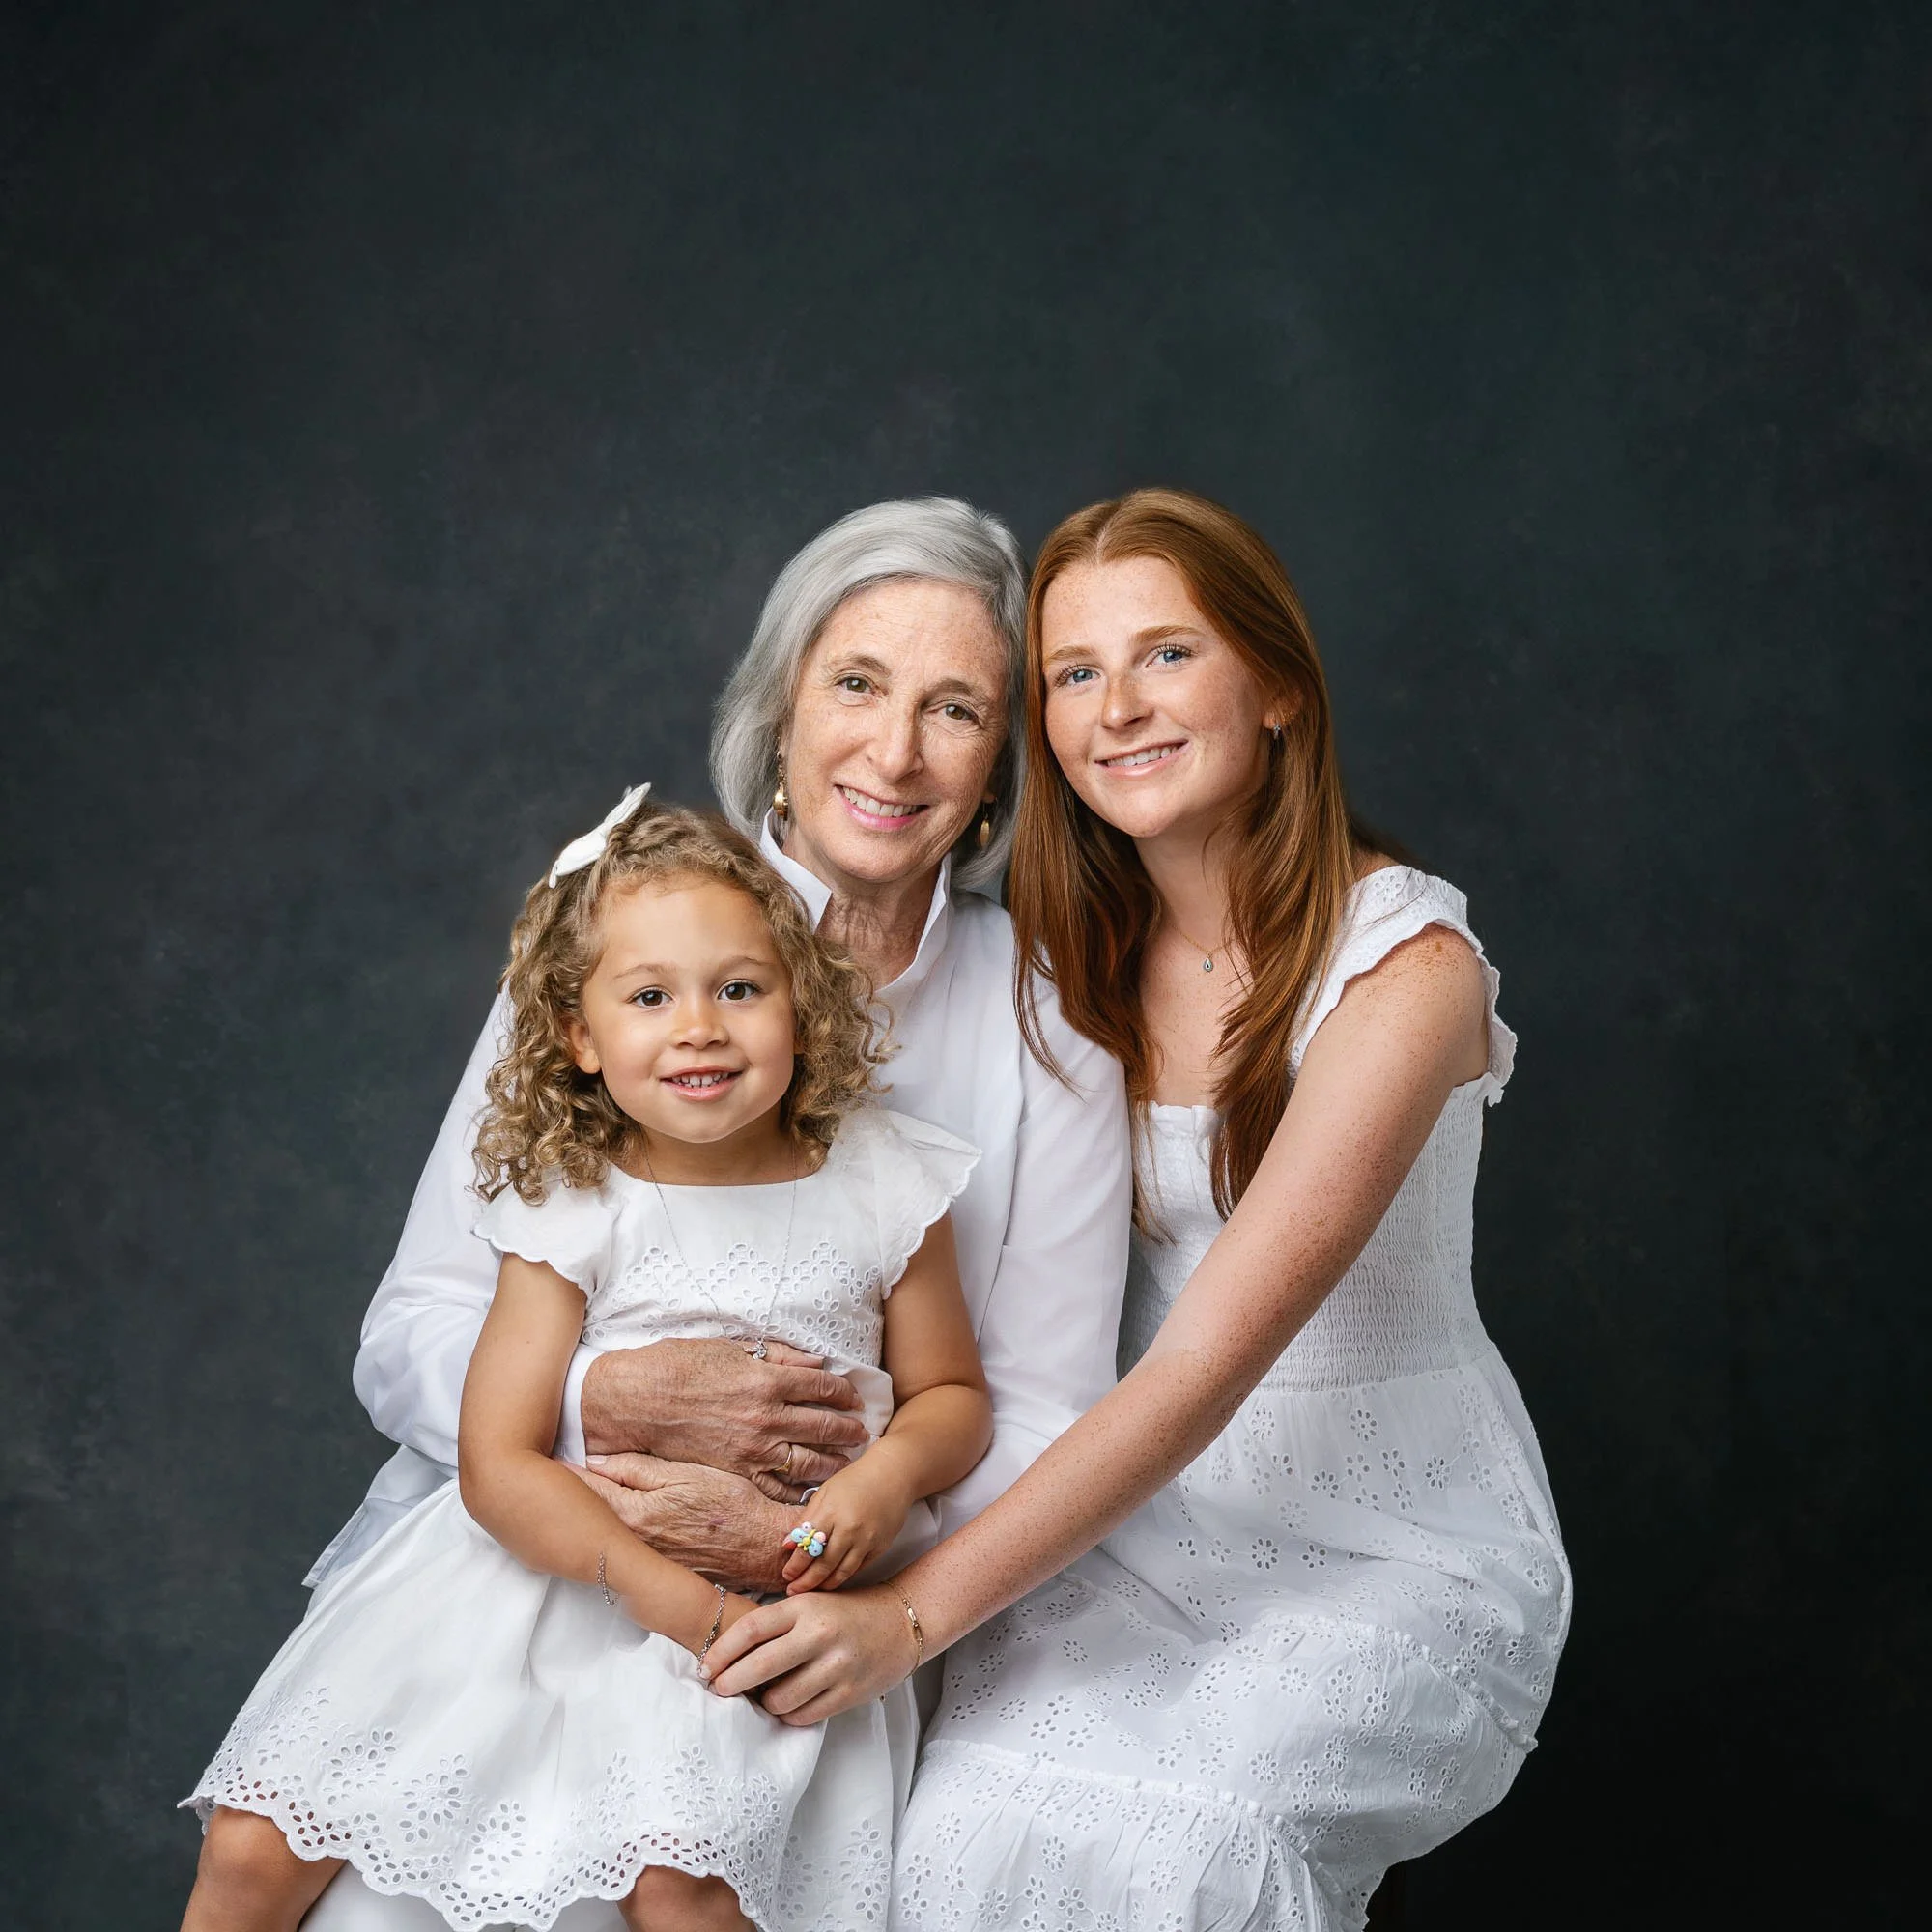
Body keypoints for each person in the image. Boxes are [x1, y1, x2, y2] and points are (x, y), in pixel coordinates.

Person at [705, 489, 1574, 1930]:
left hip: (1383, 1538)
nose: (1119, 708)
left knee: (1183, 1846)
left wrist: (910, 1615)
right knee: (948, 1831)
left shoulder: (1408, 969)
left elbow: (1202, 1363)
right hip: (1126, 1521)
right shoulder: (1058, 960)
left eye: (1167, 655)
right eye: (1074, 674)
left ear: (1278, 684)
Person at [301, 497, 1131, 1927]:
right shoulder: (614, 947)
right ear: (781, 705)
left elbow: (1050, 1418)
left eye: (956, 709)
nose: (894, 750)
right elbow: (412, 1328)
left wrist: (833, 1554)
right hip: (533, 1580)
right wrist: (598, 1411)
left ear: (1002, 767)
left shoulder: (1049, 1034)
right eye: (857, 685)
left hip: (823, 1623)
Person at [181, 794, 993, 1932]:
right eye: (649, 995)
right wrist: (660, 1592)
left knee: (686, 1889)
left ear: (801, 1008)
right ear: (578, 1034)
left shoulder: (886, 1181)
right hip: (544, 1579)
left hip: (760, 1608)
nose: (699, 1025)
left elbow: (951, 1395)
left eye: (739, 987)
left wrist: (881, 1479)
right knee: (256, 1843)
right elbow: (497, 1458)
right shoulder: (573, 1194)